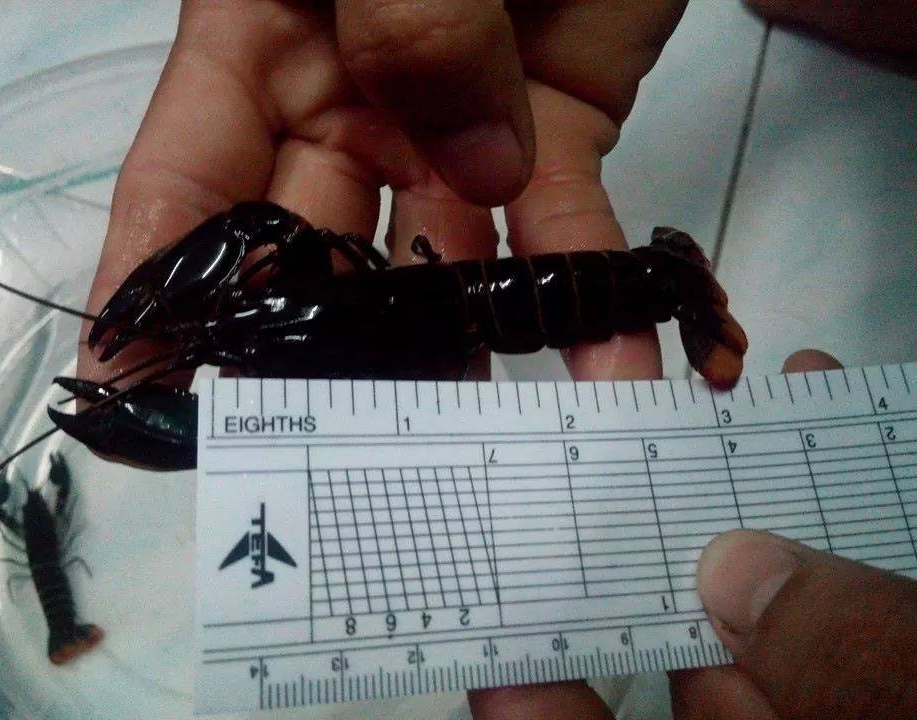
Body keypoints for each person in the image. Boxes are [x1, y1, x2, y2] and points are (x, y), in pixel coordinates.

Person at [78, 2, 917, 717]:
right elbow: (283, 236)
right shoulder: (321, 282)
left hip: (564, 292)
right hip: (473, 300)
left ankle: (670, 278)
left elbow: (272, 236)